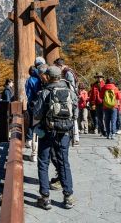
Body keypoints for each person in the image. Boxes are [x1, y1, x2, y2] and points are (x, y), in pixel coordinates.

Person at [33, 65, 77, 210]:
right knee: (64, 162)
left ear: (49, 77)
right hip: (64, 132)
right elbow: (75, 110)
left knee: (43, 162)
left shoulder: (45, 92)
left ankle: (45, 198)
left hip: (48, 131)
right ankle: (68, 197)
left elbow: (37, 114)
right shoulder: (70, 91)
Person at [54, 58, 79, 146]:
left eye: (57, 67)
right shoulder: (68, 71)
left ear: (60, 65)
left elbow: (71, 87)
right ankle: (74, 138)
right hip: (72, 97)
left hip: (71, 97)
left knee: (72, 116)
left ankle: (75, 138)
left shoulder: (67, 73)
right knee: (71, 116)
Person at [26, 65, 42, 149]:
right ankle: (39, 139)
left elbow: (28, 94)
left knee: (31, 123)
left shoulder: (28, 80)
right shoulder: (39, 80)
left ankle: (29, 140)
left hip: (31, 104)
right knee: (38, 123)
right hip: (38, 104)